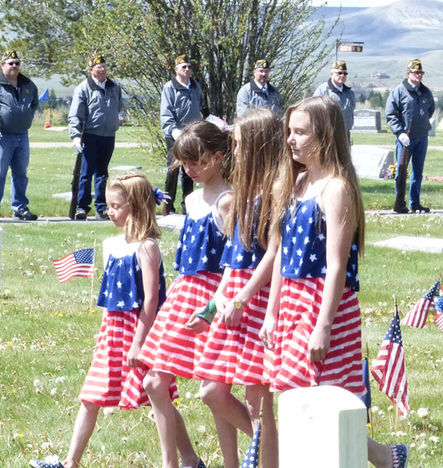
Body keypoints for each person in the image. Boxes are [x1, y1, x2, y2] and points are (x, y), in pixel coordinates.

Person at [259, 96, 409, 468]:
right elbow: (280, 256)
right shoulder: (298, 183)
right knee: (296, 393)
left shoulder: (336, 189)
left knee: (324, 397)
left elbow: (337, 265)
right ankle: (386, 457)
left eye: (300, 132)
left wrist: (323, 326)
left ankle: (378, 457)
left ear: (324, 135)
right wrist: (272, 312)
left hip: (323, 306)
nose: (290, 140)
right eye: (289, 131)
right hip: (293, 302)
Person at [29, 172, 175, 468]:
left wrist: (139, 343)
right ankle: (70, 462)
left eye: (116, 206)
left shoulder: (146, 248)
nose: (109, 211)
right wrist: (104, 331)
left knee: (158, 396)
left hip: (140, 332)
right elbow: (112, 300)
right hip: (114, 332)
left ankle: (179, 460)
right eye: (108, 205)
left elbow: (151, 300)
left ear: (134, 206)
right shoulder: (113, 245)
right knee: (91, 395)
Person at [191, 108, 281, 468]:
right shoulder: (245, 191)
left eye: (241, 145)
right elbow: (234, 258)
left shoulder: (275, 192)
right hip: (232, 300)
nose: (236, 153)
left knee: (258, 403)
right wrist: (214, 305)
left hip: (256, 300)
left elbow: (272, 255)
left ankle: (270, 460)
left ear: (259, 146)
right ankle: (284, 451)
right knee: (212, 391)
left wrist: (243, 300)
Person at [139, 120, 232, 468]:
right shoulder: (192, 200)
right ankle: (179, 462)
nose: (190, 170)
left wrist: (215, 305)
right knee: (154, 380)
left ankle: (236, 460)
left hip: (212, 296)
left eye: (197, 162)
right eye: (185, 163)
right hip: (183, 293)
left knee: (215, 390)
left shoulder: (227, 201)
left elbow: (236, 263)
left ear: (218, 157)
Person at [0, 50, 39, 222]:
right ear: (2, 65)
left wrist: (24, 117)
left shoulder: (28, 84)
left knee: (21, 173)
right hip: (2, 137)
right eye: (10, 63)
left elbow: (34, 104)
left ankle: (20, 208)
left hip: (22, 135)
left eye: (17, 63)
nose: (14, 66)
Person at [68, 53, 123, 220]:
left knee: (102, 173)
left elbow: (120, 107)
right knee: (86, 173)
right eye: (99, 67)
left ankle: (101, 207)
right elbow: (75, 114)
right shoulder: (84, 88)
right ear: (91, 69)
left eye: (104, 66)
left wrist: (119, 118)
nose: (103, 69)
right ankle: (82, 208)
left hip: (108, 135)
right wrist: (76, 135)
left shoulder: (114, 87)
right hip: (90, 135)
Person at [160, 54, 209, 216]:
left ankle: (187, 206)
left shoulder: (196, 86)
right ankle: (168, 207)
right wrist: (174, 131)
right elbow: (166, 114)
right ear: (176, 70)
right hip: (174, 135)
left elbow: (202, 107)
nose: (187, 70)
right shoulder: (169, 88)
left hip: (192, 135)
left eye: (189, 67)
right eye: (184, 67)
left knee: (190, 170)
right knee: (173, 170)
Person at [385, 58, 435, 214]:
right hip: (405, 138)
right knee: (401, 171)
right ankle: (399, 202)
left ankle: (415, 202)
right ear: (408, 74)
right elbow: (391, 114)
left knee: (418, 172)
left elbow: (430, 109)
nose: (419, 75)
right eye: (416, 72)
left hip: (422, 136)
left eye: (421, 72)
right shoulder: (399, 91)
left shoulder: (425, 91)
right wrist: (399, 132)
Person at [313, 60, 355, 143]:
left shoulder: (350, 93)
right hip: (327, 136)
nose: (342, 75)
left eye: (345, 73)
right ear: (331, 74)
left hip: (345, 135)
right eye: (339, 73)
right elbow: (314, 113)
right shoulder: (322, 91)